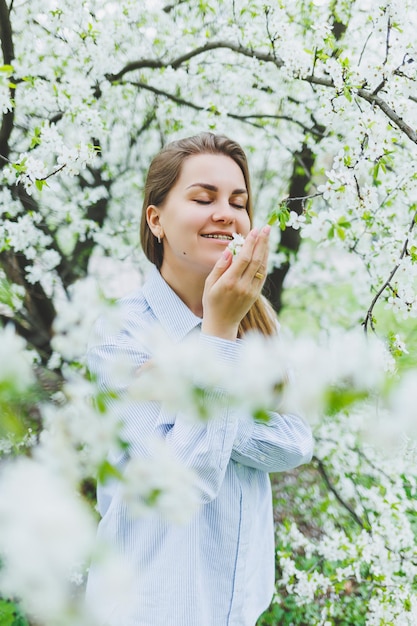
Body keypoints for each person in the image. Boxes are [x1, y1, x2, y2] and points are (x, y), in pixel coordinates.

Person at [86, 132, 314, 626]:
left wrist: (187, 393)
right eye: (202, 198)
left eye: (239, 201)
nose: (226, 213)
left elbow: (296, 443)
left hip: (236, 605)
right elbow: (183, 481)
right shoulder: (119, 333)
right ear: (156, 219)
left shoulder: (262, 326)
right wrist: (218, 335)